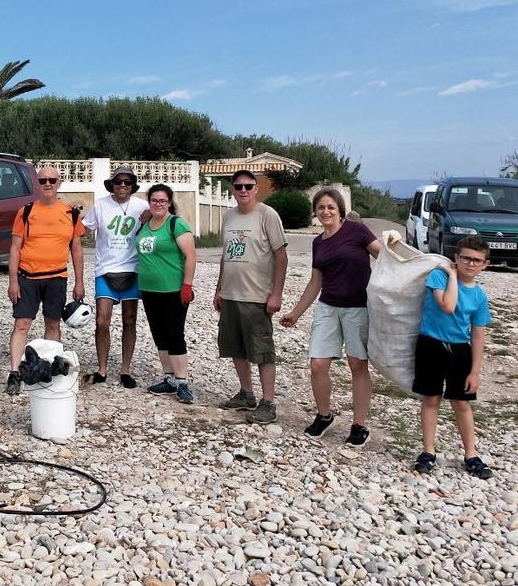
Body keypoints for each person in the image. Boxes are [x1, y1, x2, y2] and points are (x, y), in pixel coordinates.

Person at [279, 189, 381, 445]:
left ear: (340, 210)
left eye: (331, 207)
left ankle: (359, 425)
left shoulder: (357, 231)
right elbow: (316, 281)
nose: (326, 212)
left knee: (357, 365)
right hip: (328, 307)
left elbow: (385, 257)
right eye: (321, 207)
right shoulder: (318, 242)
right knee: (318, 365)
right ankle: (324, 415)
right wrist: (296, 312)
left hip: (358, 308)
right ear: (316, 212)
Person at [411, 236, 494, 479]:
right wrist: (453, 276)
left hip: (460, 350)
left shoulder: (479, 296)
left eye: (477, 260)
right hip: (430, 344)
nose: (471, 263)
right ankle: (428, 452)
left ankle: (471, 454)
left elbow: (478, 335)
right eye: (466, 258)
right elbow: (447, 305)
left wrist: (475, 371)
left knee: (461, 403)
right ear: (456, 258)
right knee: (431, 399)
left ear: (485, 265)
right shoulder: (439, 277)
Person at [214, 169, 288, 424]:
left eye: (248, 186)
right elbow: (226, 255)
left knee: (262, 351)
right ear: (233, 190)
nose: (243, 190)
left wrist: (276, 293)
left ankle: (268, 402)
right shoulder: (229, 216)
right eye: (238, 186)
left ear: (256, 189)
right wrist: (218, 288)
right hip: (231, 294)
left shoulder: (267, 215)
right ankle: (247, 393)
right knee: (235, 346)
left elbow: (281, 256)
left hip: (257, 296)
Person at [6, 166, 85, 395]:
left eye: (52, 180)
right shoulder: (26, 211)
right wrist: (12, 280)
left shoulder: (70, 213)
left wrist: (79, 282)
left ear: (59, 183)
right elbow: (15, 248)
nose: (47, 184)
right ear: (37, 184)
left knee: (53, 324)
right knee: (21, 324)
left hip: (57, 278)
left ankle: (50, 366)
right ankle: (14, 373)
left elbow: (77, 250)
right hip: (27, 278)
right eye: (43, 181)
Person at [81, 166, 149, 388]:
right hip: (105, 270)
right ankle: (102, 369)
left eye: (127, 182)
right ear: (112, 185)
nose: (122, 186)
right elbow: (83, 229)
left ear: (132, 186)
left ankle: (125, 370)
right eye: (118, 182)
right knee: (102, 321)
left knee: (130, 320)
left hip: (132, 270)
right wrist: (68, 215)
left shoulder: (142, 206)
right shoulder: (100, 205)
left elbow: (158, 225)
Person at [136, 184, 198, 402]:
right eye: (154, 200)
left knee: (174, 334)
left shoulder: (176, 224)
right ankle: (169, 378)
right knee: (159, 334)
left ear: (170, 202)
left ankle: (182, 381)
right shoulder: (145, 223)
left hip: (173, 290)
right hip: (149, 289)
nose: (158, 204)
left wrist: (187, 286)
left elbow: (191, 256)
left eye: (162, 200)